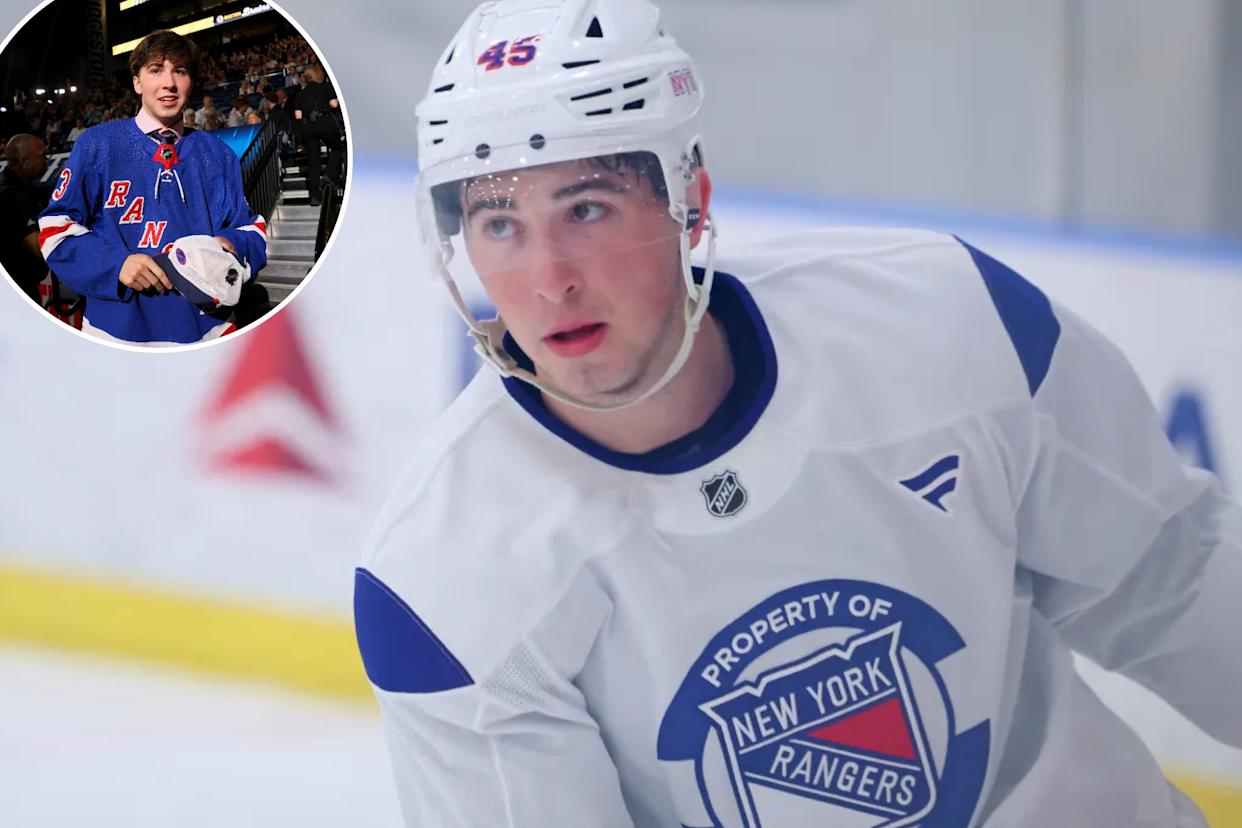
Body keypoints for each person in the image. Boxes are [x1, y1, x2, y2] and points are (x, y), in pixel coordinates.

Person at [355, 1, 1242, 826]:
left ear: (689, 200)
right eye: (500, 225)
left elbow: (1174, 583)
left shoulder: (949, 324)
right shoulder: (442, 579)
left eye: (585, 208)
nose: (549, 279)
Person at [38, 30, 268, 344]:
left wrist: (230, 245)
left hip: (208, 327)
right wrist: (115, 265)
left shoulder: (219, 155)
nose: (169, 83)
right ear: (137, 82)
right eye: (156, 70)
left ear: (192, 82)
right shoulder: (96, 145)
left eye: (180, 71)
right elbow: (55, 228)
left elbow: (252, 228)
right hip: (117, 328)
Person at [0, 133, 50, 303]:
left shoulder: (19, 187)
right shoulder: (14, 196)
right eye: (42, 156)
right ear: (25, 162)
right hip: (18, 291)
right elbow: (38, 246)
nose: (47, 160)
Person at [293, 65, 340, 206]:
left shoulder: (300, 93)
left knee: (313, 162)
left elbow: (298, 115)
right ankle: (330, 176)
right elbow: (334, 104)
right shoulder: (324, 87)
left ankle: (314, 196)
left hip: (308, 127)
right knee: (337, 148)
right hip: (324, 122)